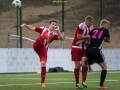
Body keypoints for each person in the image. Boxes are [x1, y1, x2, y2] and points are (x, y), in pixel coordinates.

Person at [21, 20, 63, 88]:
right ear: (49, 24)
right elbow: (32, 28)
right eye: (53, 24)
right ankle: (46, 38)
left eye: (55, 25)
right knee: (43, 33)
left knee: (43, 63)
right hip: (38, 45)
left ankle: (42, 82)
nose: (54, 26)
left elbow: (62, 38)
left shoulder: (54, 35)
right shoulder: (43, 29)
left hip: (43, 50)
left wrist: (58, 31)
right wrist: (25, 25)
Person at [71, 15, 94, 89]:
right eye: (91, 22)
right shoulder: (81, 26)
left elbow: (87, 41)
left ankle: (84, 81)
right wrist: (87, 37)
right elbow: (78, 37)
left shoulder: (90, 28)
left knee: (85, 63)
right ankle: (77, 83)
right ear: (87, 21)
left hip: (84, 48)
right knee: (77, 65)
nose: (92, 24)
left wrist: (86, 40)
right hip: (76, 47)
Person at [86, 19, 110, 89]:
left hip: (89, 49)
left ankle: (86, 63)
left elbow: (87, 40)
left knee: (91, 62)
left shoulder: (93, 30)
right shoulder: (105, 30)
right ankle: (101, 85)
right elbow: (108, 40)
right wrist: (103, 39)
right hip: (96, 50)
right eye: (107, 26)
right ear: (105, 26)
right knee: (104, 67)